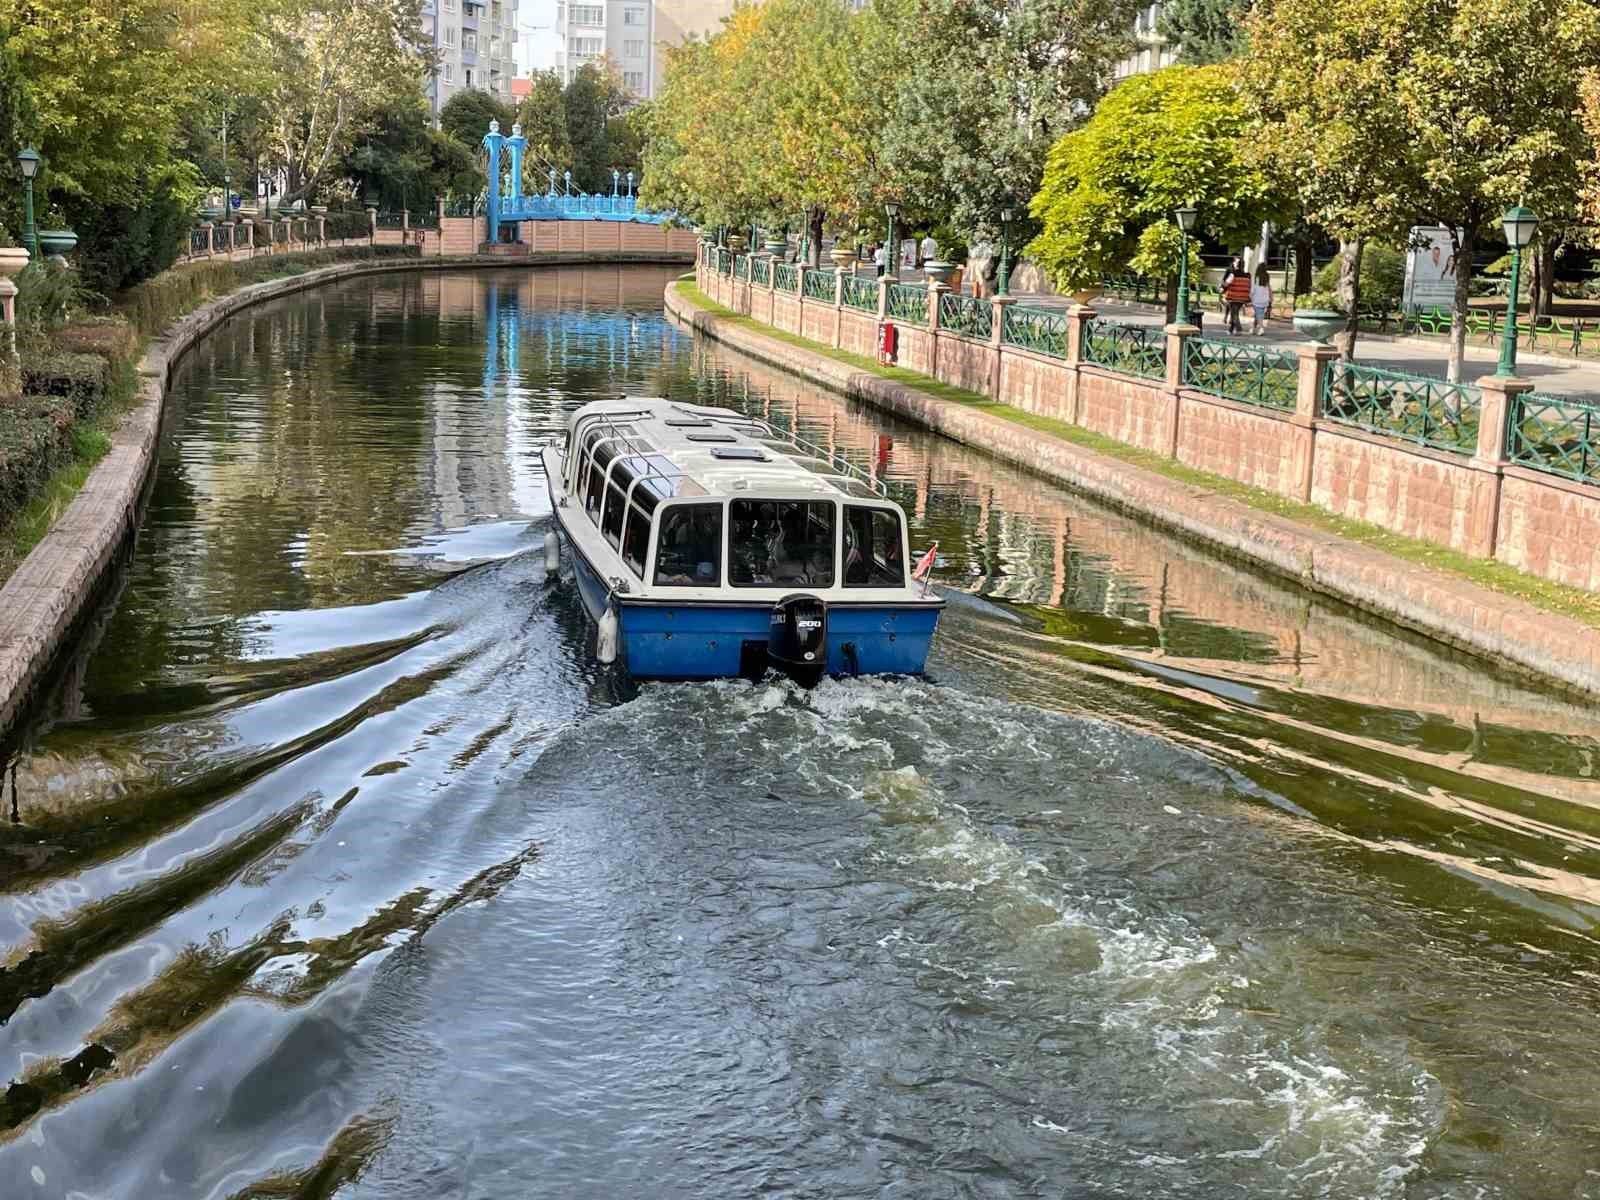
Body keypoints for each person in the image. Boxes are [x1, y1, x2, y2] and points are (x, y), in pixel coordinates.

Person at [1221, 257, 1251, 335]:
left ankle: (1239, 329)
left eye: (1234, 263)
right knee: (1234, 313)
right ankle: (1230, 330)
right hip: (1243, 297)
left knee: (1234, 313)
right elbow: (1249, 286)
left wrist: (1222, 287)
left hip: (1233, 296)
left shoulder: (1233, 274)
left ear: (1236, 265)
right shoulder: (1247, 275)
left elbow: (1226, 284)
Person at [1249, 263, 1272, 336]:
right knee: (1258, 314)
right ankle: (1253, 328)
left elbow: (1253, 289)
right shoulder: (1267, 277)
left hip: (1257, 299)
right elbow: (1269, 288)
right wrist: (1271, 297)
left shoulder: (1256, 278)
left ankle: (1261, 328)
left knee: (1259, 315)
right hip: (1265, 299)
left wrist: (1250, 296)